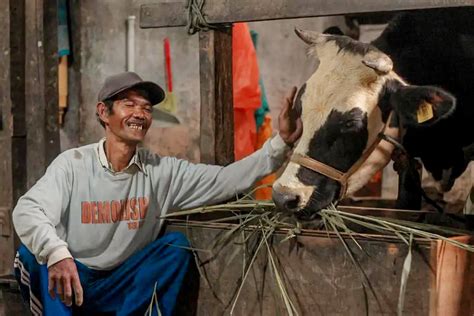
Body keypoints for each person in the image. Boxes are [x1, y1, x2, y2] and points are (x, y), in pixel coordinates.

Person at [12, 72, 302, 315]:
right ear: (104, 112)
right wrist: (57, 253)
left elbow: (226, 179)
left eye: (147, 108)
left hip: (121, 281)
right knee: (31, 253)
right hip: (72, 279)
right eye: (129, 105)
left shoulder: (162, 171)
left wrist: (281, 144)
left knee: (175, 247)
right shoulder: (72, 165)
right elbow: (27, 210)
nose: (140, 114)